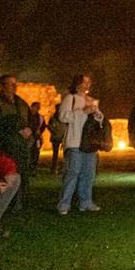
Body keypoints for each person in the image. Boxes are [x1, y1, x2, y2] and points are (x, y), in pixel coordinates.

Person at [0, 74, 34, 211]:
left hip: (22, 146)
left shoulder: (21, 103)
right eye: (10, 84)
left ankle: (20, 203)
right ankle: (2, 203)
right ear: (1, 85)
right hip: (6, 146)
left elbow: (30, 120)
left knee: (22, 174)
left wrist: (29, 131)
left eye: (15, 84)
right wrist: (16, 130)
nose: (14, 87)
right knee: (6, 174)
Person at [56, 74, 103, 214]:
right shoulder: (70, 98)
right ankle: (64, 204)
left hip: (89, 143)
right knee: (72, 173)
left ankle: (85, 202)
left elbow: (99, 120)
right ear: (78, 83)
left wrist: (97, 115)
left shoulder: (91, 100)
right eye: (85, 82)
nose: (87, 85)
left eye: (89, 82)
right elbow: (63, 116)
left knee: (88, 175)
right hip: (75, 142)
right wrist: (82, 112)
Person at [47, 104, 66, 175]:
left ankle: (61, 168)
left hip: (62, 137)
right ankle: (54, 168)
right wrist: (53, 130)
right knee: (55, 154)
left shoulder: (63, 117)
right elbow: (49, 126)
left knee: (63, 154)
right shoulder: (53, 117)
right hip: (56, 137)